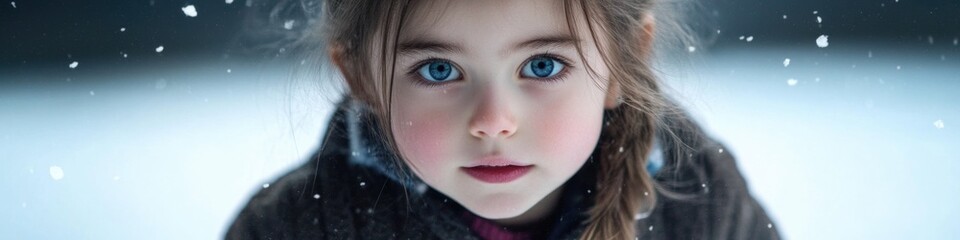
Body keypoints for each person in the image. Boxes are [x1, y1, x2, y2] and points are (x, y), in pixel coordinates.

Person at [227, 0, 780, 239]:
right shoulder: (300, 228)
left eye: (542, 65)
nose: (494, 122)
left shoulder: (697, 199)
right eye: (439, 70)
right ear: (362, 80)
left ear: (622, 65)